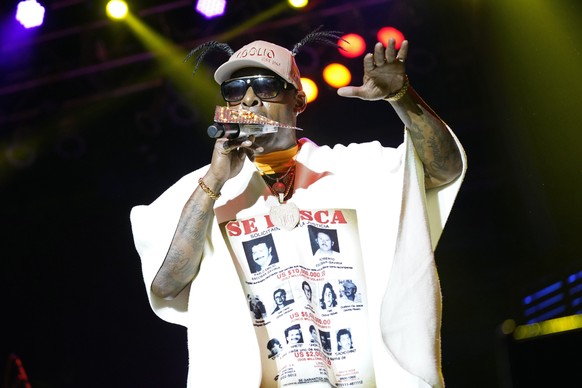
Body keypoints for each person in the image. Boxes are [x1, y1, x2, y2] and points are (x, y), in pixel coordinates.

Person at [130, 27, 466, 388]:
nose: (248, 100)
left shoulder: (354, 168)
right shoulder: (201, 192)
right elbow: (166, 285)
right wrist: (215, 181)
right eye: (234, 92)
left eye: (265, 87)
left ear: (299, 101)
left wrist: (402, 97)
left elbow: (443, 169)